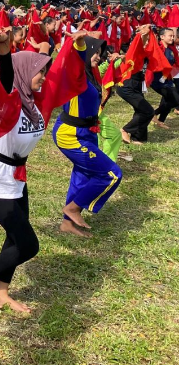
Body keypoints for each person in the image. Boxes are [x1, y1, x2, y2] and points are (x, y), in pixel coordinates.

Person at [0, 30, 48, 312]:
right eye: (39, 72)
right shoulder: (8, 100)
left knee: (15, 235)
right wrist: (5, 47)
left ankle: (2, 290)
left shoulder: (32, 101)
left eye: (44, 71)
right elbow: (4, 77)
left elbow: (48, 53)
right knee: (28, 245)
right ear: (23, 73)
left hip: (15, 175)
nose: (43, 77)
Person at [53, 36, 123, 237]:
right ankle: (73, 208)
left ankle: (67, 223)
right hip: (71, 134)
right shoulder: (77, 75)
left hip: (88, 132)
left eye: (100, 54)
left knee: (82, 176)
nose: (98, 57)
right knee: (111, 174)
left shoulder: (91, 74)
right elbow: (75, 58)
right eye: (95, 53)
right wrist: (81, 43)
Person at [117, 25, 155, 144]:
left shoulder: (146, 52)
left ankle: (138, 138)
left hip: (137, 84)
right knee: (148, 111)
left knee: (140, 110)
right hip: (128, 85)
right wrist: (144, 34)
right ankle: (125, 130)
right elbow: (140, 43)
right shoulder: (135, 51)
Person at [151, 28, 179, 128]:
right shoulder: (157, 48)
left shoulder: (171, 49)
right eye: (170, 36)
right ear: (162, 37)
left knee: (168, 100)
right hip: (157, 80)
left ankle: (160, 121)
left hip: (167, 79)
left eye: (173, 36)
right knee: (175, 100)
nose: (172, 38)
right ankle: (153, 114)